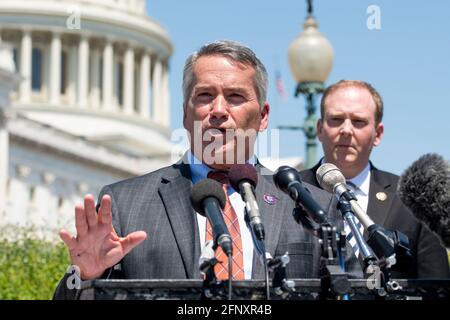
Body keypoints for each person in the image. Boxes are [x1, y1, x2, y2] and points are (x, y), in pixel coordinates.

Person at [53, 40, 337, 299]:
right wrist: (87, 276)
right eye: (204, 95)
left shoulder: (311, 206)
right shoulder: (126, 204)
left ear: (263, 117)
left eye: (235, 96)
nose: (218, 110)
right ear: (186, 114)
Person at [299, 80, 450, 278]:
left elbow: (435, 285)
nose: (346, 130)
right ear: (319, 128)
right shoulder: (288, 191)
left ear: (377, 134)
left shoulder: (413, 198)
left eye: (358, 121)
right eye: (336, 119)